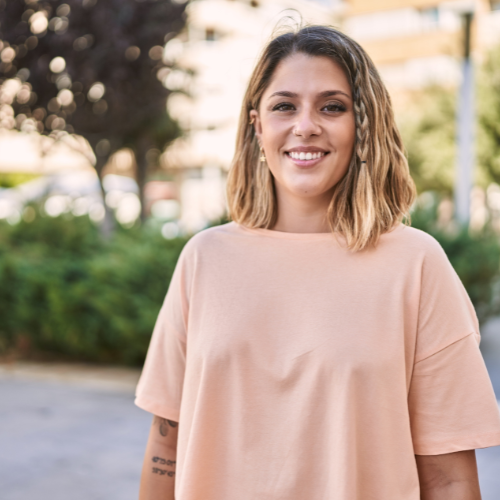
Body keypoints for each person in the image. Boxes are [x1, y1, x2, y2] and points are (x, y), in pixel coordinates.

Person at [136, 25, 500, 500]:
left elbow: (450, 479)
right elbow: (167, 450)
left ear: (361, 125)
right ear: (257, 125)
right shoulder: (204, 260)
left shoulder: (416, 265)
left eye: (332, 106)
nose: (305, 125)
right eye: (284, 105)